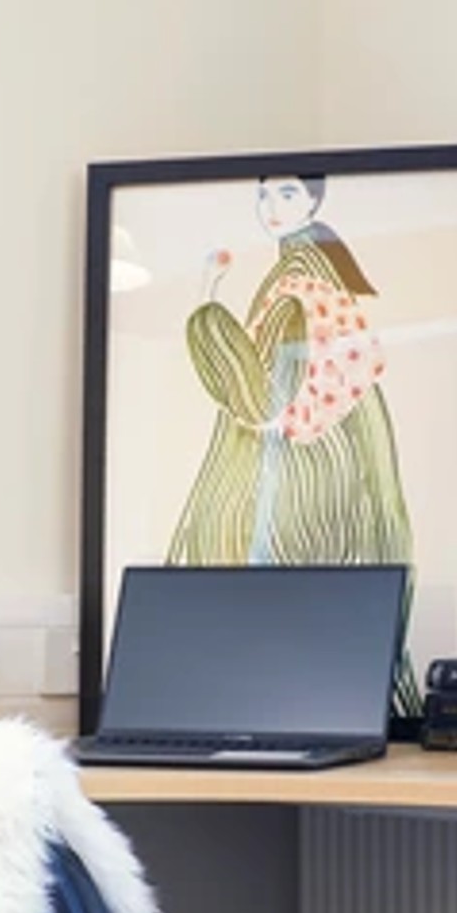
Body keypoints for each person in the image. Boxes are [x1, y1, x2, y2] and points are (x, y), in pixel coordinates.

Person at [163, 174, 418, 708]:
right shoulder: (314, 273)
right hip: (320, 472)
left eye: (286, 194)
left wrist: (207, 297)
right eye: (263, 195)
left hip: (296, 483)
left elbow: (258, 400)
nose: (270, 207)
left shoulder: (298, 283)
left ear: (313, 202)